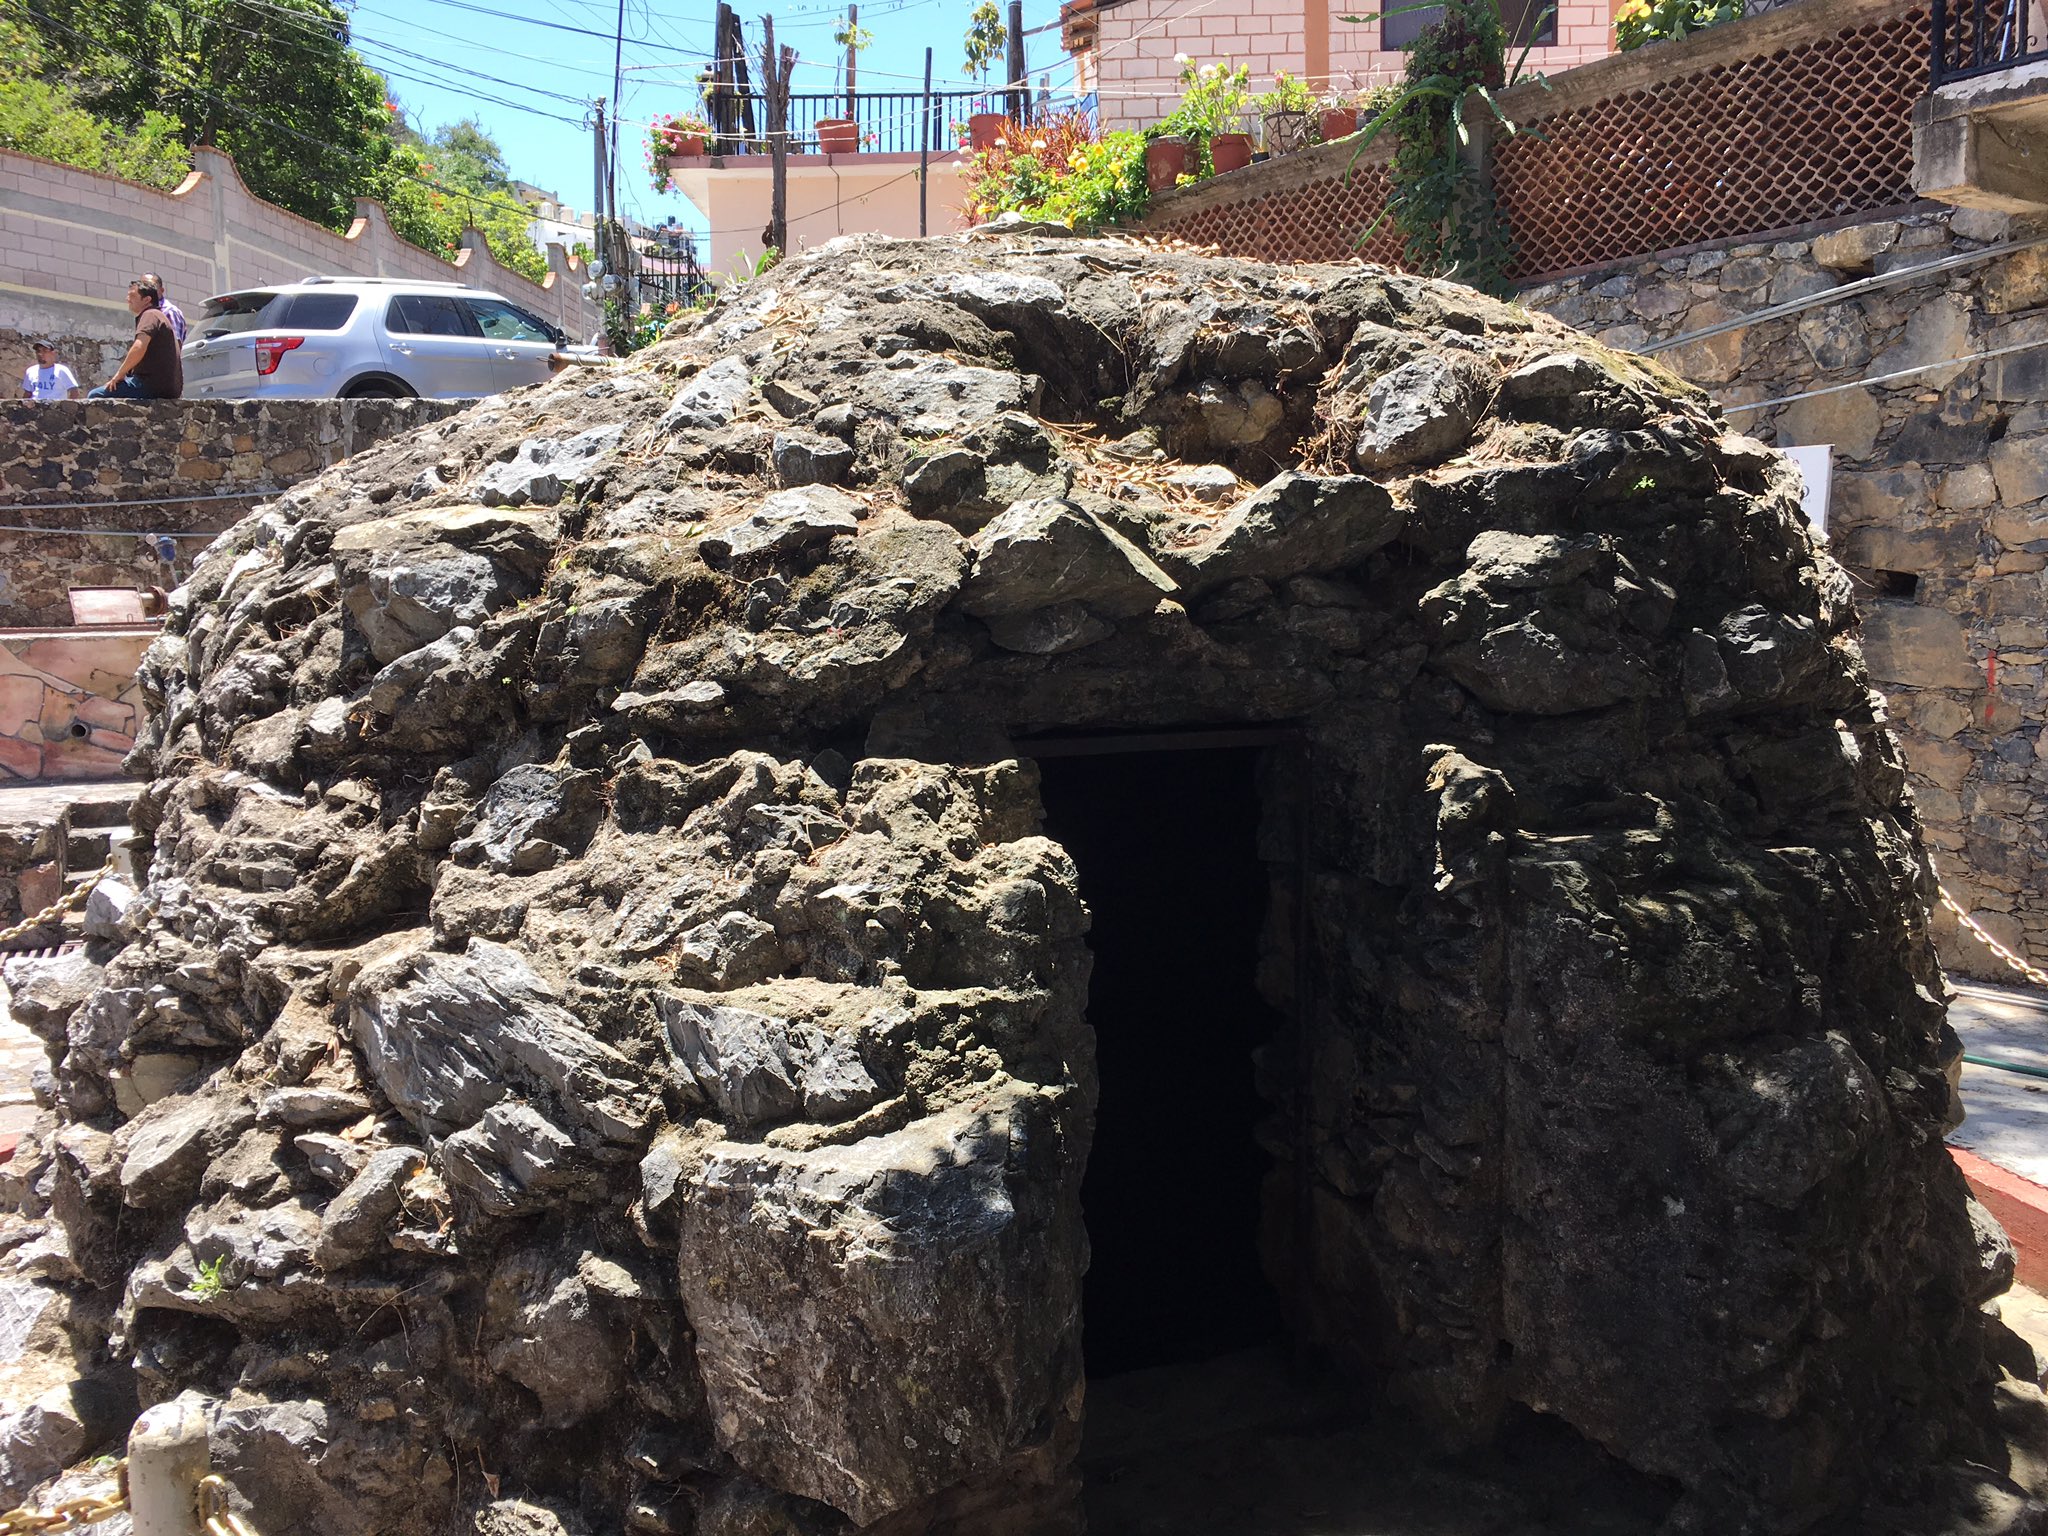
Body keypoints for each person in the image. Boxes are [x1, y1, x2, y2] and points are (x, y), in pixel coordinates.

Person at [89, 278, 183, 400]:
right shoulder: (157, 315)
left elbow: (139, 346)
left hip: (151, 385)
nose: (127, 300)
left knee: (96, 395)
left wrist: (120, 374)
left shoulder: (150, 315)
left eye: (132, 296)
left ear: (147, 299)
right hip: (167, 387)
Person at [141, 271, 187, 345]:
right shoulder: (146, 312)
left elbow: (175, 345)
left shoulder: (170, 312)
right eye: (142, 287)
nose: (146, 290)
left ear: (161, 290)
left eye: (151, 286)